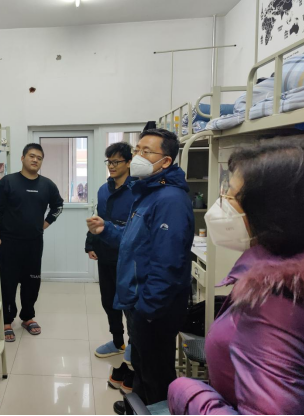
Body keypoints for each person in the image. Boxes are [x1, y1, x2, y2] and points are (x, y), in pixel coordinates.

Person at [168, 141, 304, 415]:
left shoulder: (277, 301)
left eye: (231, 196)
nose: (221, 205)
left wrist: (187, 393)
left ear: (270, 211)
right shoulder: (278, 266)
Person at [87, 129, 194, 411]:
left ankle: (155, 406)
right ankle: (139, 405)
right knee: (142, 364)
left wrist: (148, 308)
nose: (138, 156)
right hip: (140, 300)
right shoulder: (148, 192)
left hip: (154, 305)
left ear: (166, 161)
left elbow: (167, 263)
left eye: (147, 151)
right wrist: (106, 229)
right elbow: (133, 241)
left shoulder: (169, 200)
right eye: (138, 150)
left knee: (156, 370)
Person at [0, 143, 64, 342]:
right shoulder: (7, 182)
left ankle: (27, 317)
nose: (35, 160)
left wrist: (45, 224)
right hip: (8, 241)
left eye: (39, 158)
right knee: (8, 282)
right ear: (22, 158)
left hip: (34, 243)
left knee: (32, 281)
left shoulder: (47, 185)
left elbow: (58, 206)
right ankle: (7, 320)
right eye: (32, 156)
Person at [85, 142, 136, 392]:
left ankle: (134, 346)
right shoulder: (103, 190)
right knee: (108, 300)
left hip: (128, 256)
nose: (112, 166)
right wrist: (90, 243)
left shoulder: (137, 189)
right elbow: (99, 219)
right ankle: (117, 341)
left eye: (117, 161)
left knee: (129, 303)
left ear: (128, 162)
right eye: (109, 162)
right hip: (105, 252)